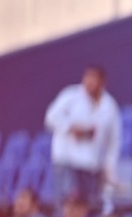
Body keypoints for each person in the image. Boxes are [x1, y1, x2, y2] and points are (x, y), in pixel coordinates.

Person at [44, 64, 122, 207]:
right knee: (66, 204)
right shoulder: (71, 95)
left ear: (103, 81)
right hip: (67, 161)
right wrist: (70, 127)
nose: (89, 82)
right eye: (87, 77)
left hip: (91, 166)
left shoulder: (109, 105)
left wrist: (109, 170)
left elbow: (113, 141)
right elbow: (50, 117)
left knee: (89, 206)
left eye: (94, 78)